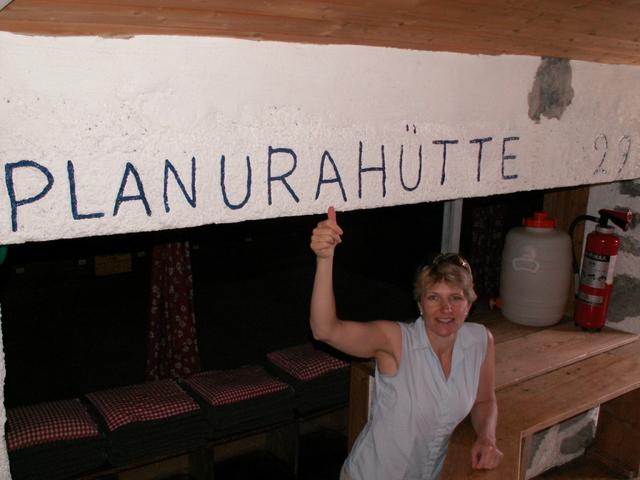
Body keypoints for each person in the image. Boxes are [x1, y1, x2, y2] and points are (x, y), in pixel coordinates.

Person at [309, 207, 503, 480]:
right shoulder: (395, 341)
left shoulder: (480, 340)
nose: (445, 308)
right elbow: (325, 330)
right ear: (420, 304)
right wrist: (324, 259)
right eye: (434, 297)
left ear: (469, 305)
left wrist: (487, 438)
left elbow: (484, 400)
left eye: (456, 298)